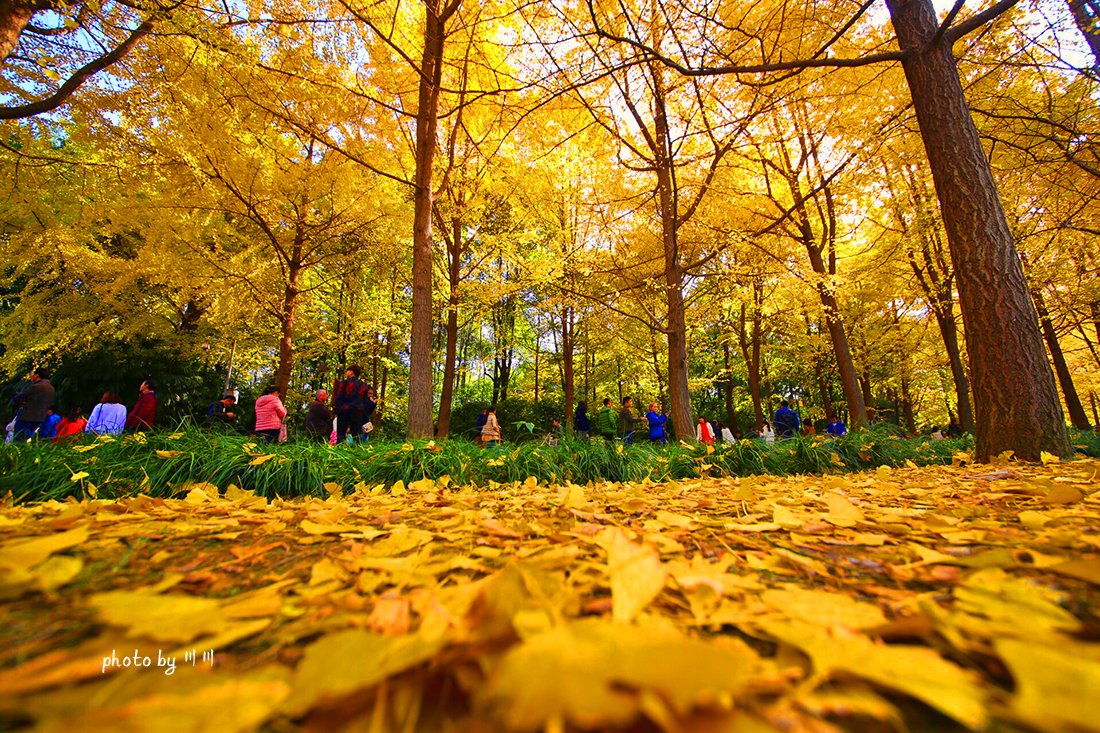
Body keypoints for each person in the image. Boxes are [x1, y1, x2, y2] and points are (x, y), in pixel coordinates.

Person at [10, 367, 55, 440]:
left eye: (32, 374)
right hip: (39, 418)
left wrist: (24, 402)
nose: (31, 376)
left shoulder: (35, 387)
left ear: (37, 375)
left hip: (26, 417)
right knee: (26, 439)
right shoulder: (51, 388)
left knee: (19, 440)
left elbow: (17, 398)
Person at [332, 365, 369, 443]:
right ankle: (357, 453)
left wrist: (335, 410)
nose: (346, 373)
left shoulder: (344, 383)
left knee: (341, 435)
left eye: (347, 371)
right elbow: (365, 401)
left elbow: (339, 397)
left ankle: (339, 453)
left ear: (352, 372)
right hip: (357, 413)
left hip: (344, 412)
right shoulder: (364, 385)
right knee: (357, 436)